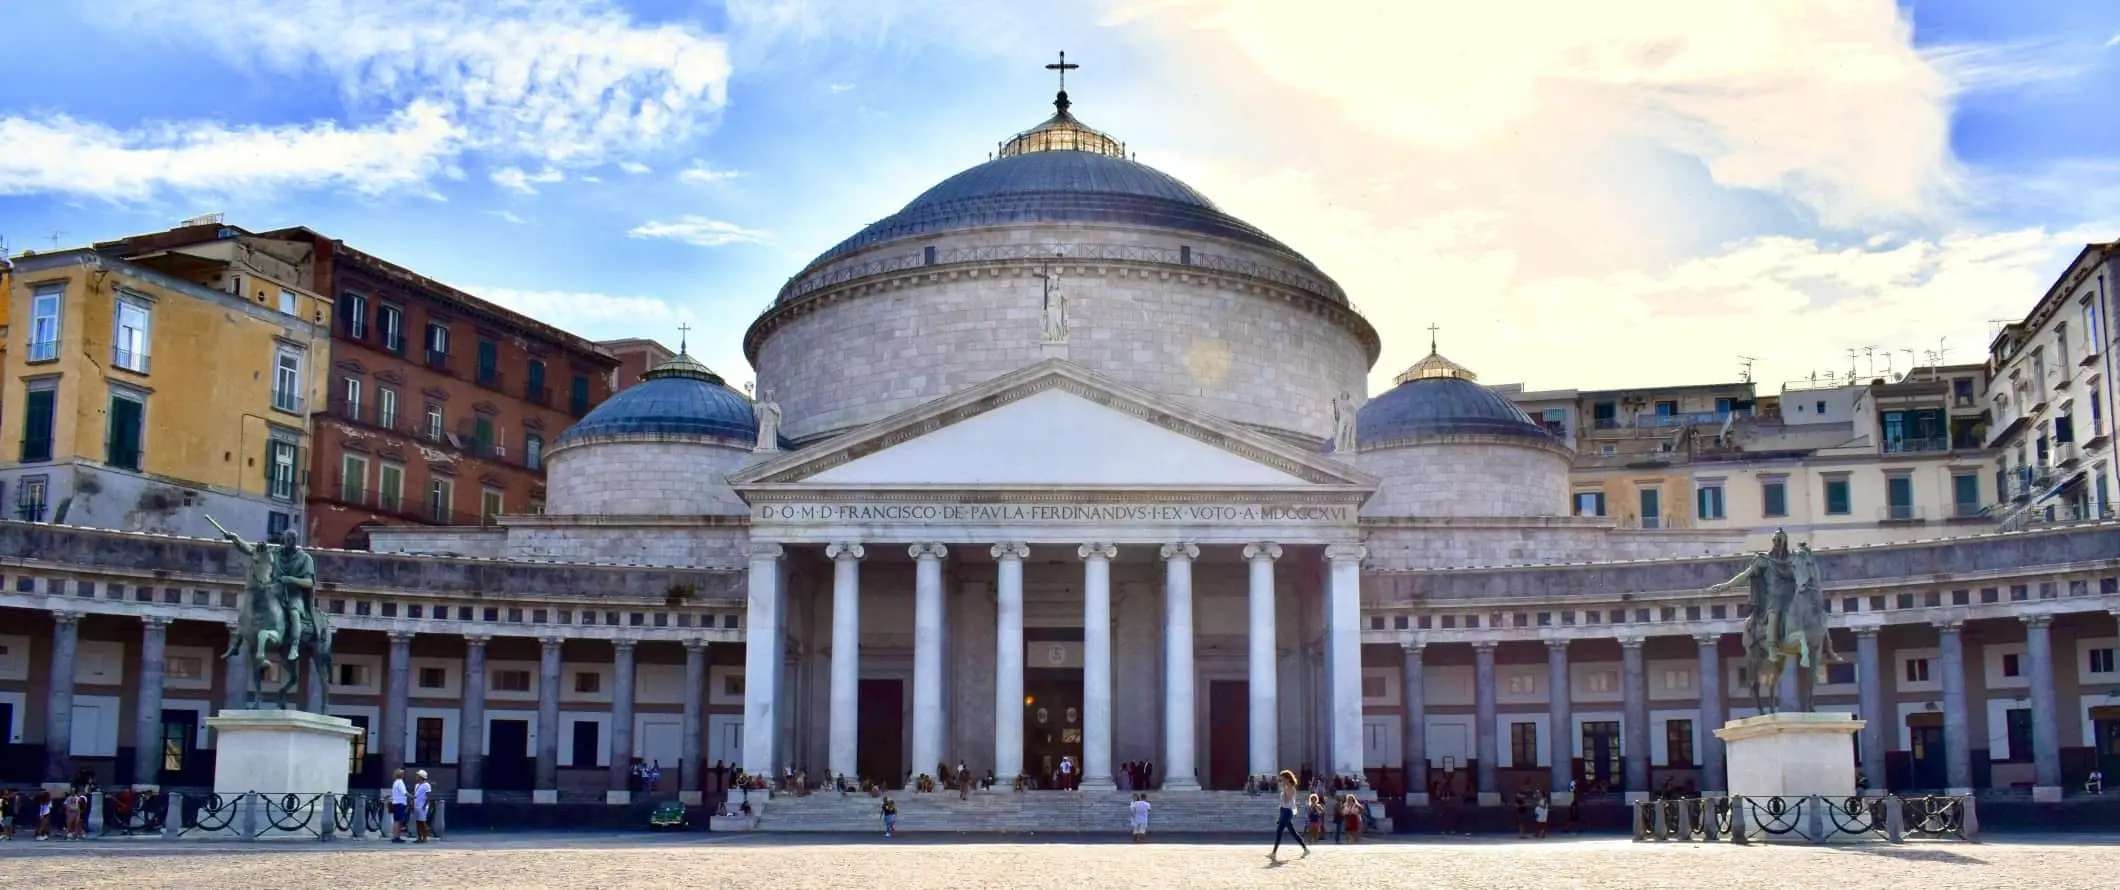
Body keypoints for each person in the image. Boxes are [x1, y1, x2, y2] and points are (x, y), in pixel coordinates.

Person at [1270, 770, 1308, 858]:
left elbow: (1287, 800)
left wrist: (1283, 788)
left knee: (1284, 831)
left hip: (1288, 811)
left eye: (1282, 779)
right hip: (1283, 810)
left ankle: (1274, 853)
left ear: (1287, 779)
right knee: (1290, 832)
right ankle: (1305, 848)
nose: (1281, 781)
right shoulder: (1286, 788)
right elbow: (1283, 802)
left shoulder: (1292, 788)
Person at [389, 768, 411, 843]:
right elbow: (404, 793)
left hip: (396, 803)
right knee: (398, 821)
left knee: (396, 820)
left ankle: (396, 836)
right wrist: (412, 796)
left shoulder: (395, 782)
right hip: (400, 803)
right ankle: (397, 837)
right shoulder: (400, 782)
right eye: (403, 774)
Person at [413, 770, 434, 843]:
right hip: (416, 805)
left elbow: (428, 796)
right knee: (418, 822)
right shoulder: (416, 785)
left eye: (417, 776)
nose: (416, 777)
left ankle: (425, 837)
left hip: (422, 806)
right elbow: (416, 795)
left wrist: (425, 805)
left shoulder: (427, 785)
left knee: (423, 822)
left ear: (421, 777)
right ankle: (419, 837)